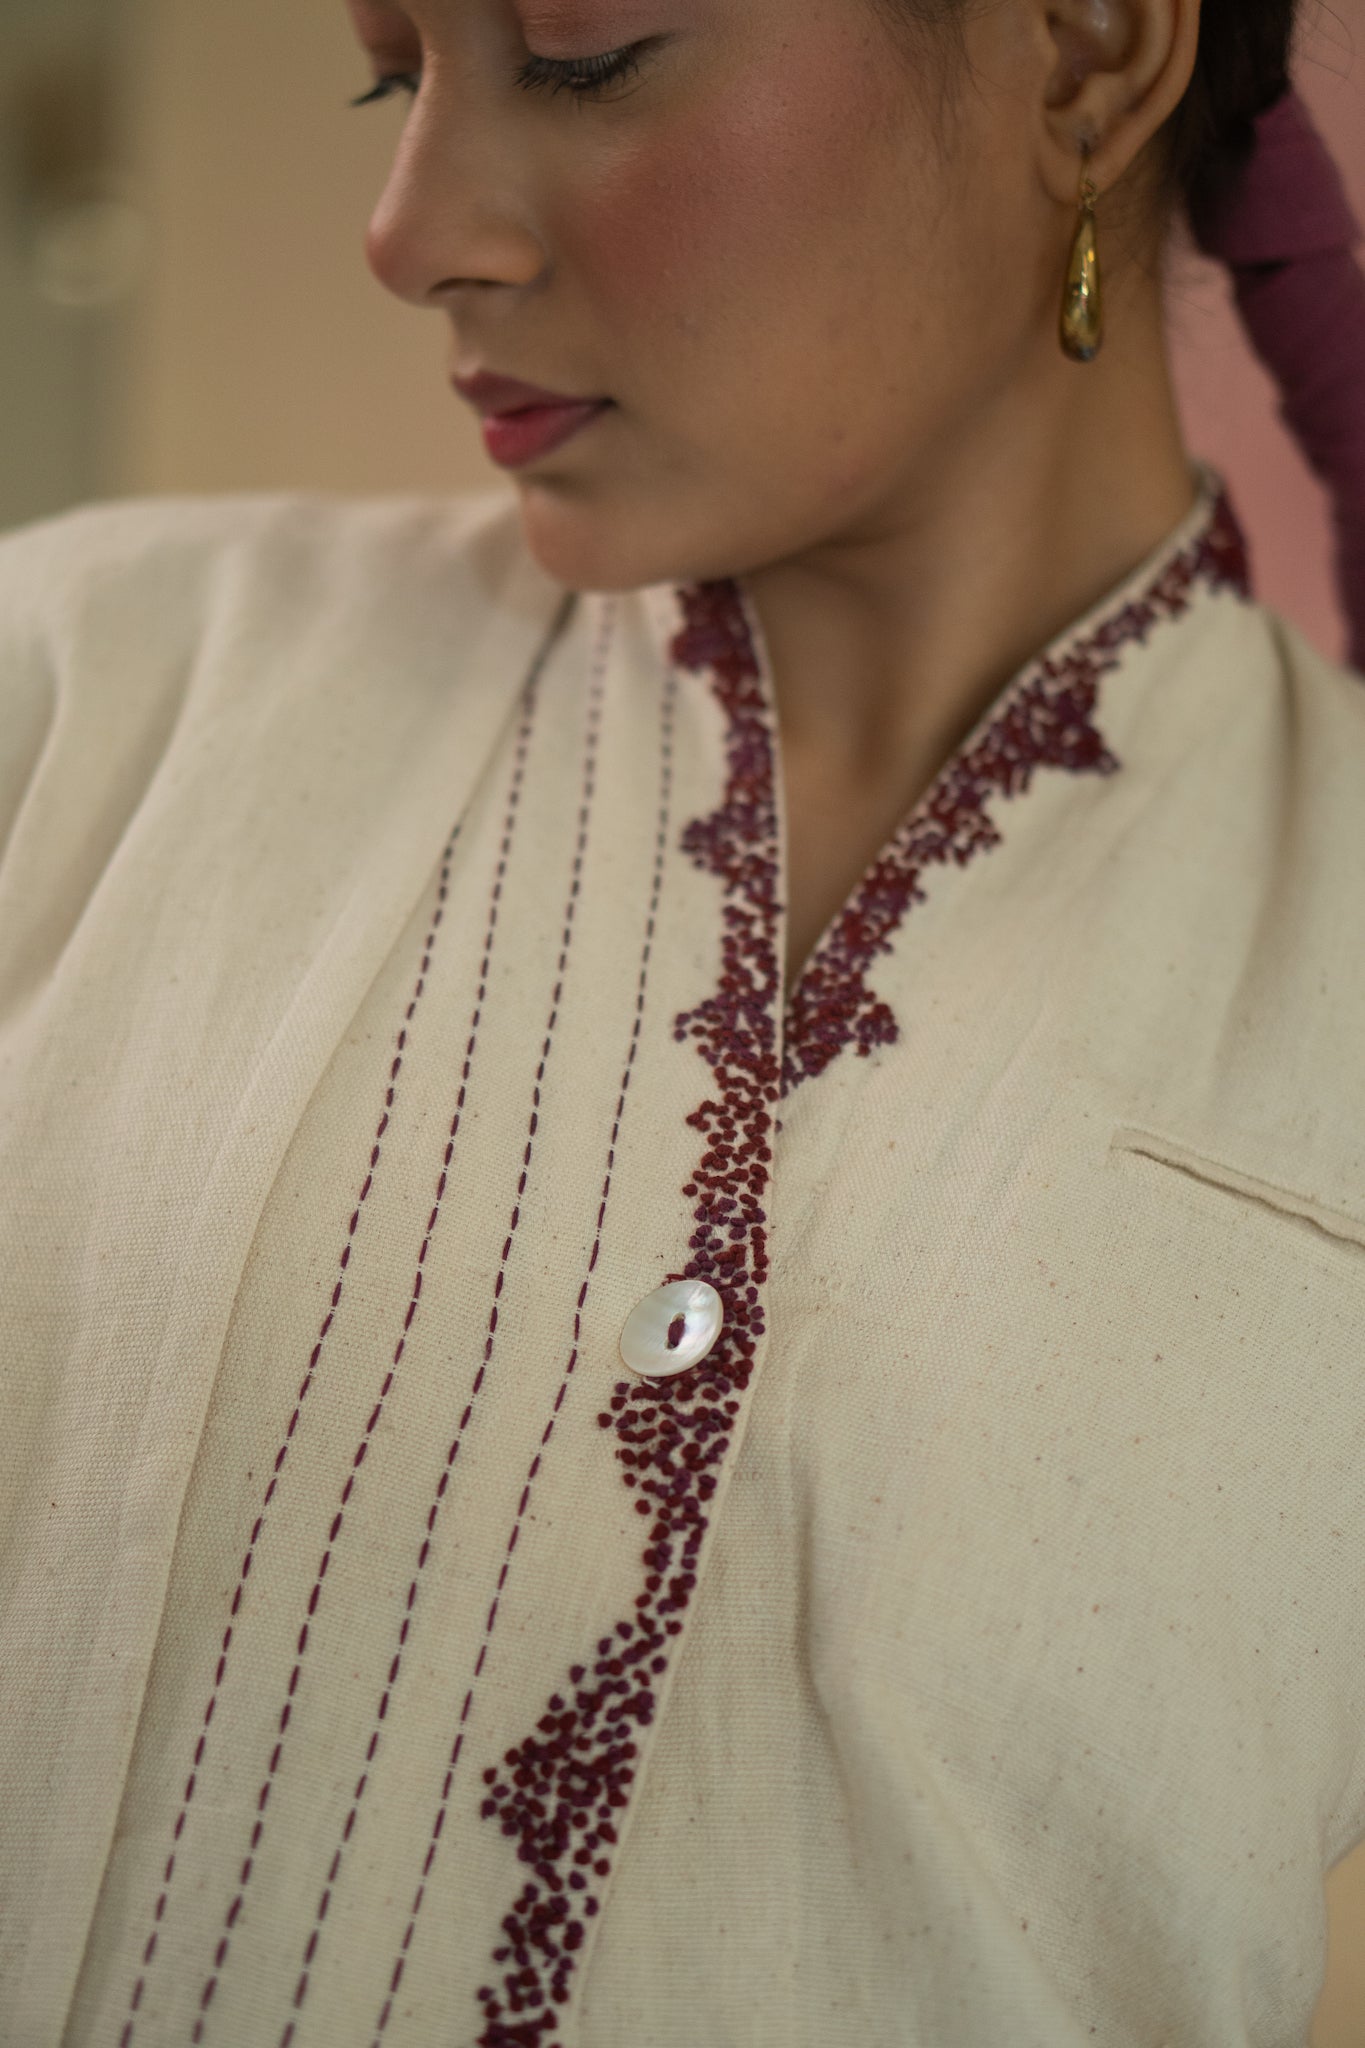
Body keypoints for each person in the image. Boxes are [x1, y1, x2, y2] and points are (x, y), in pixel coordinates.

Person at [1, 0, 1364, 2043]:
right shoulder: (80, 692)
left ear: (1086, 52)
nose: (406, 231)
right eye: (392, 76)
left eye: (581, 54)